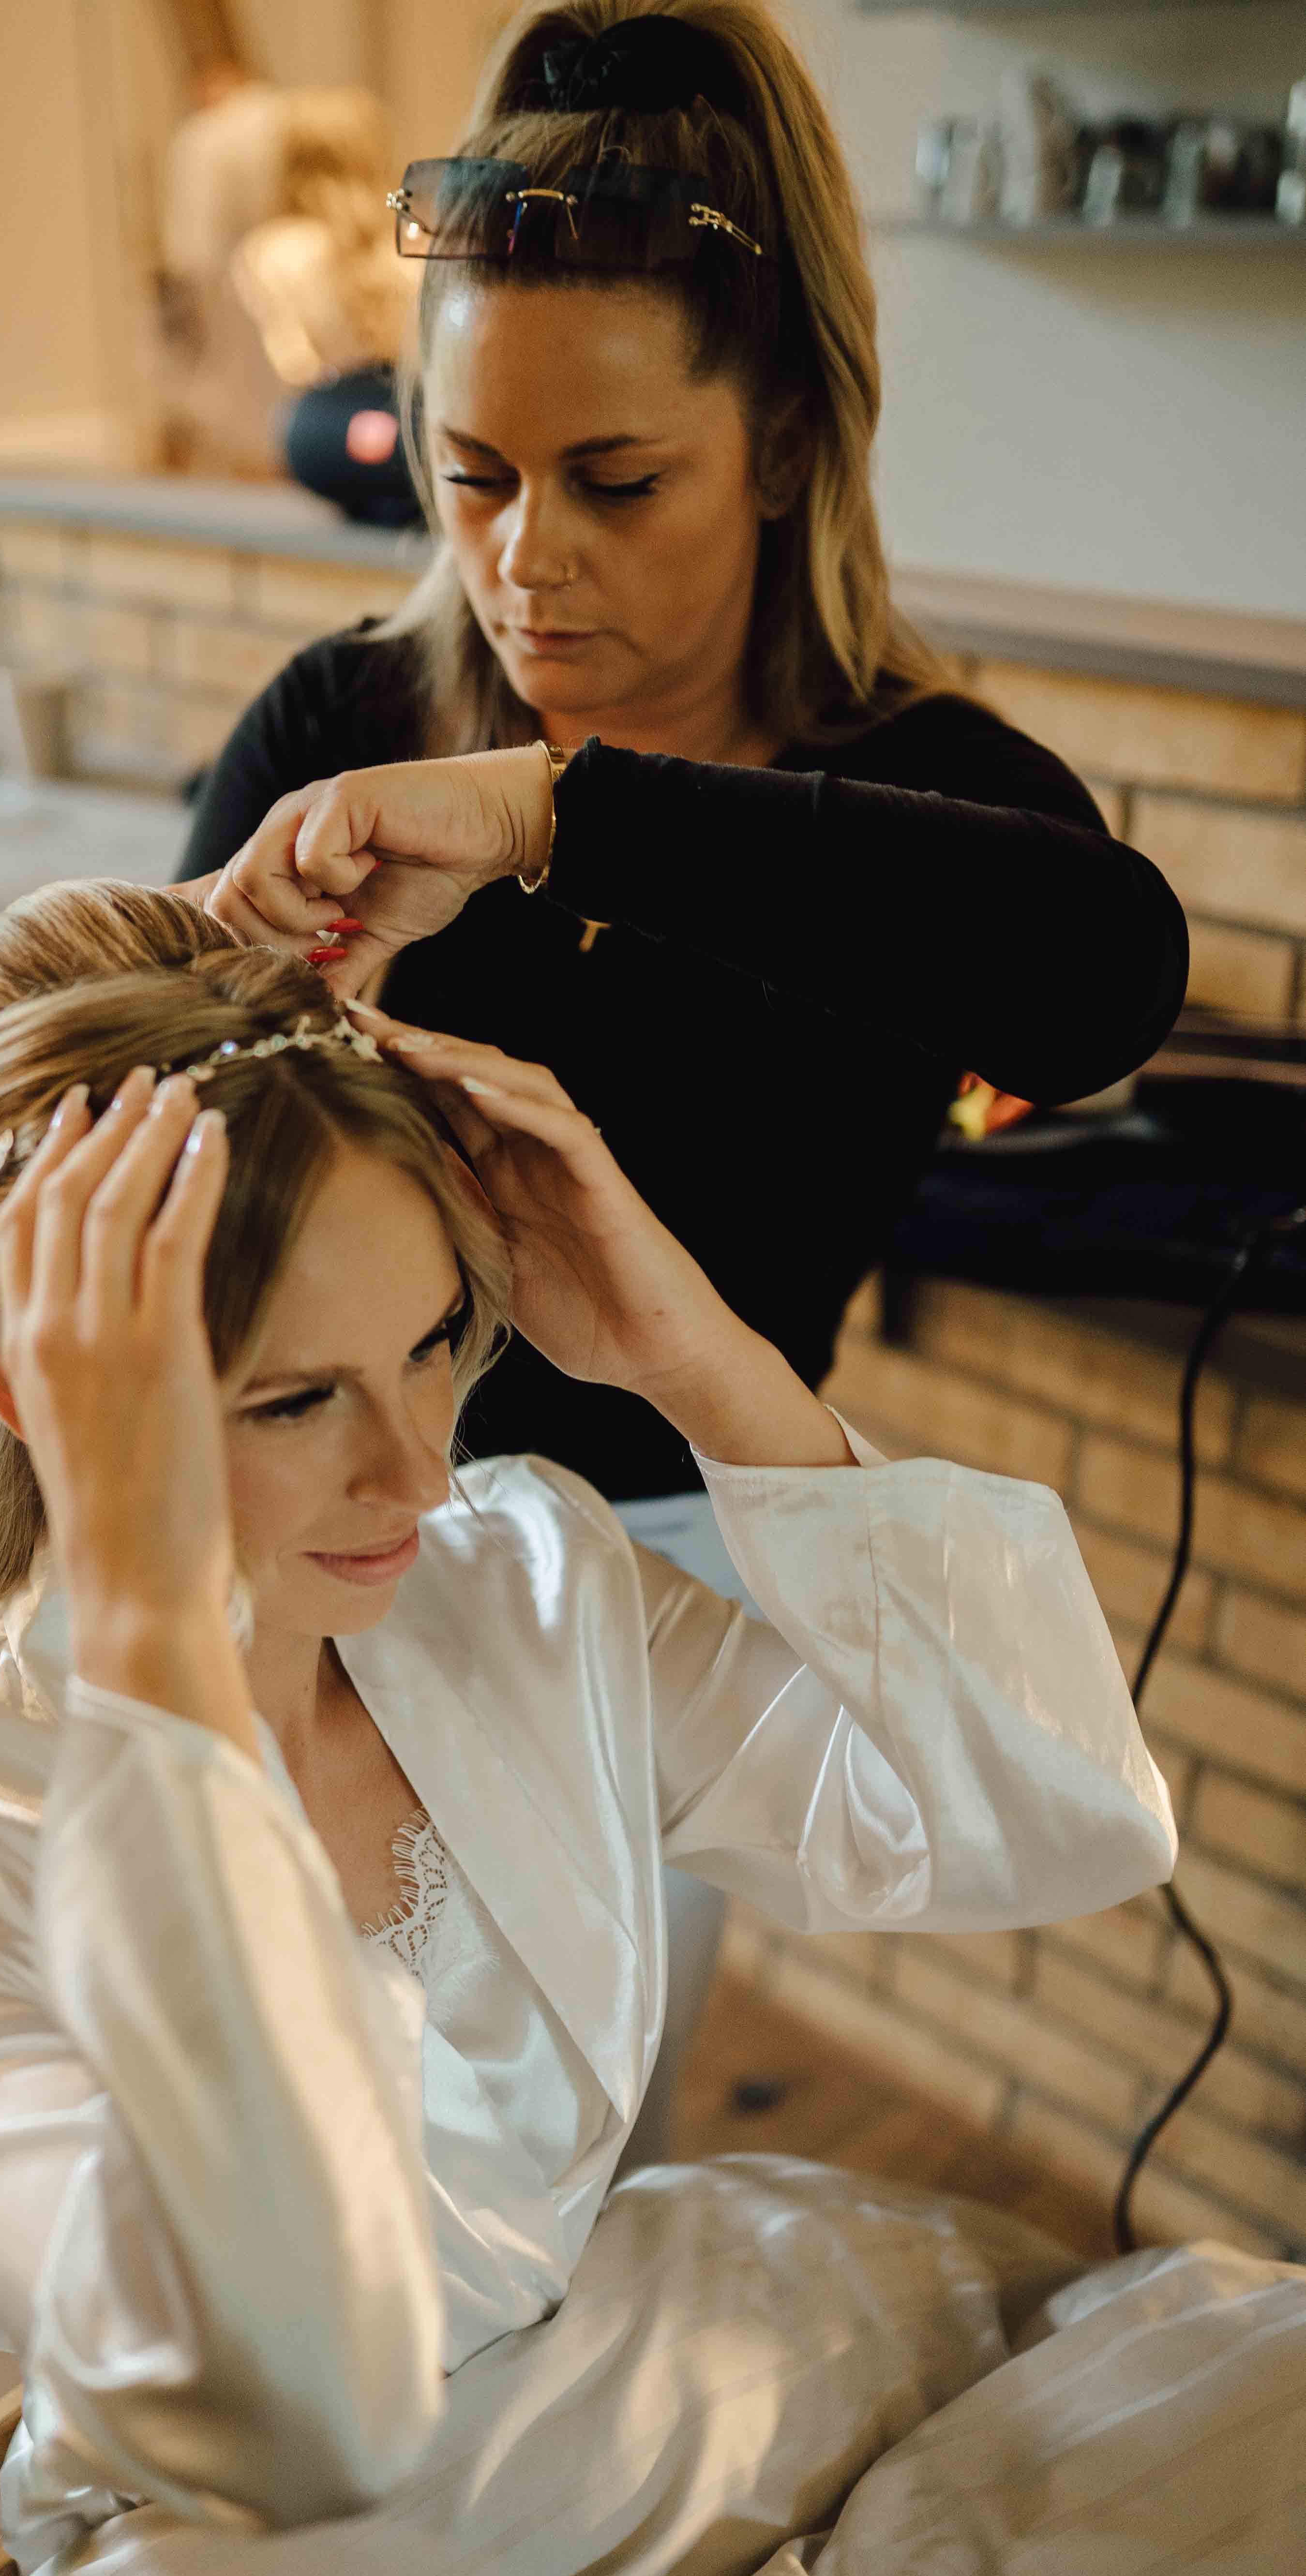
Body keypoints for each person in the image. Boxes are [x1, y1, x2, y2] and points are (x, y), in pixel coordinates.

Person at [0, 881, 1305, 2576]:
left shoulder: (521, 1581)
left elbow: (1045, 1823)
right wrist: (160, 1614)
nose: (417, 1475)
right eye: (287, 1401)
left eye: (428, 1348)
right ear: (44, 1400)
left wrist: (698, 1361)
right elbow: (275, 2403)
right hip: (279, 2574)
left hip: (644, 2373)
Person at [176, 0, 1189, 1554]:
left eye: (617, 481)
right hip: (340, 1543)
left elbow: (1104, 980)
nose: (523, 558)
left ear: (782, 448)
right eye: (473, 476)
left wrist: (546, 810)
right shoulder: (344, 718)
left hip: (715, 1569)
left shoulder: (912, 780)